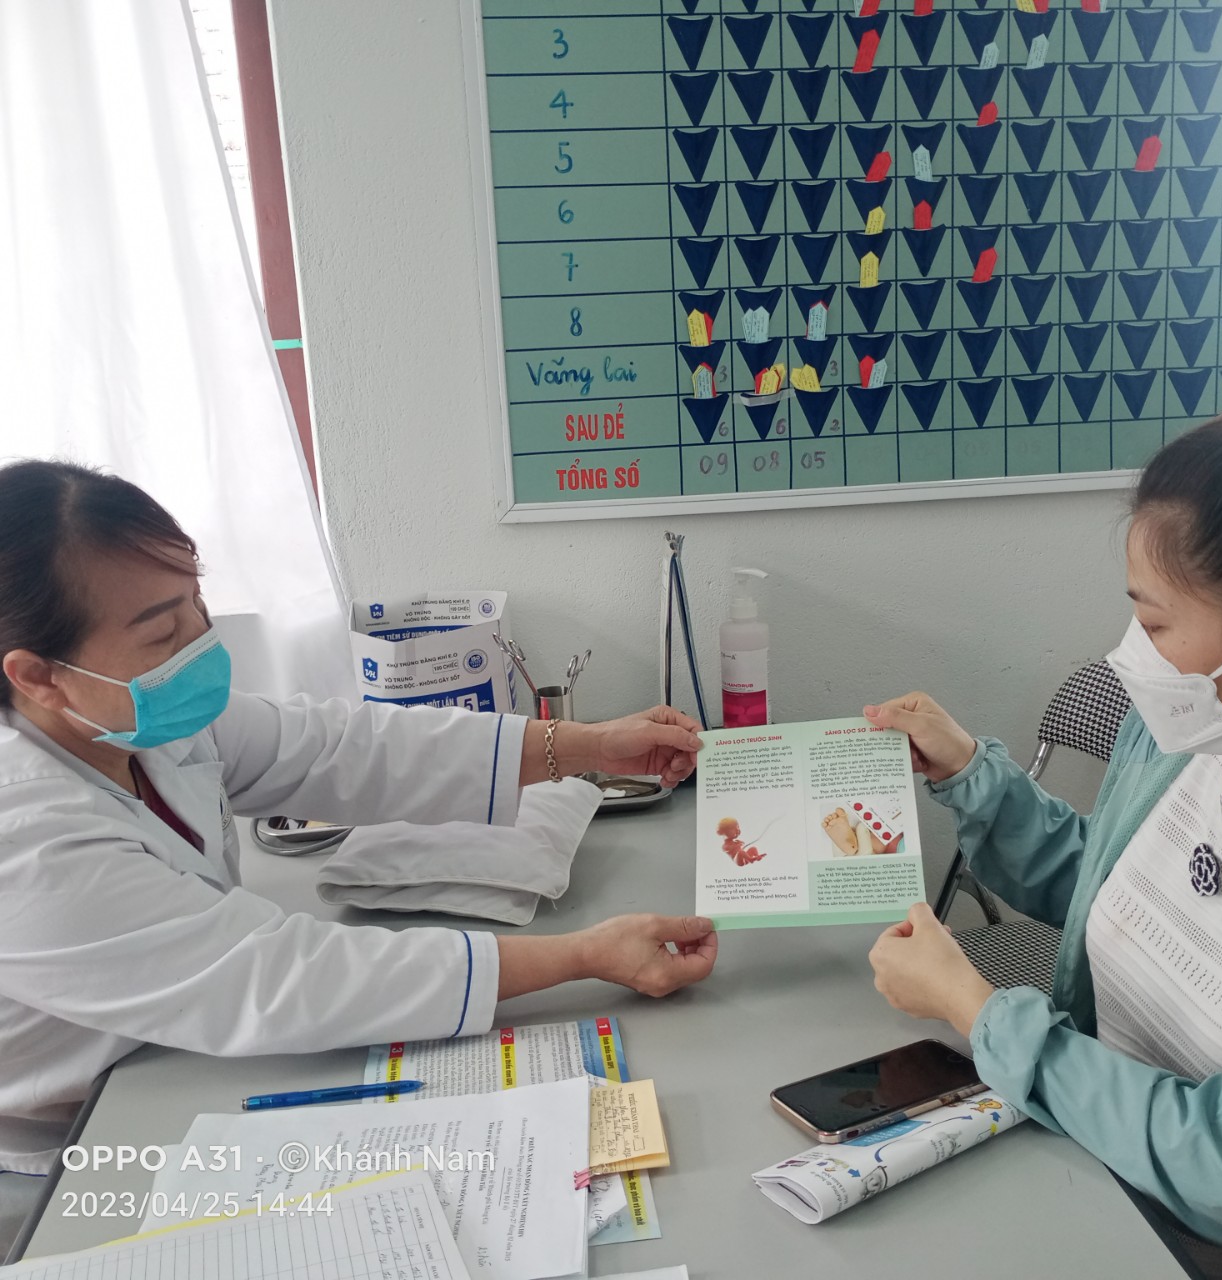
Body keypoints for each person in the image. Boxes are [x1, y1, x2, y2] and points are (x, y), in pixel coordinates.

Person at [0, 460, 718, 1251]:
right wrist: (583, 954)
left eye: (197, 604)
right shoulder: (24, 840)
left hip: (174, 1060)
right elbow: (284, 979)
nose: (200, 643)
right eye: (163, 635)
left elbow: (343, 748)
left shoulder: (133, 725)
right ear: (38, 677)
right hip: (70, 1150)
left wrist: (589, 745)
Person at [865, 404, 1222, 1279]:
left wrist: (981, 1014)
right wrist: (970, 772)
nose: (1133, 656)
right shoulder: (1187, 741)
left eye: (1156, 625)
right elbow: (1108, 888)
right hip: (1076, 1156)